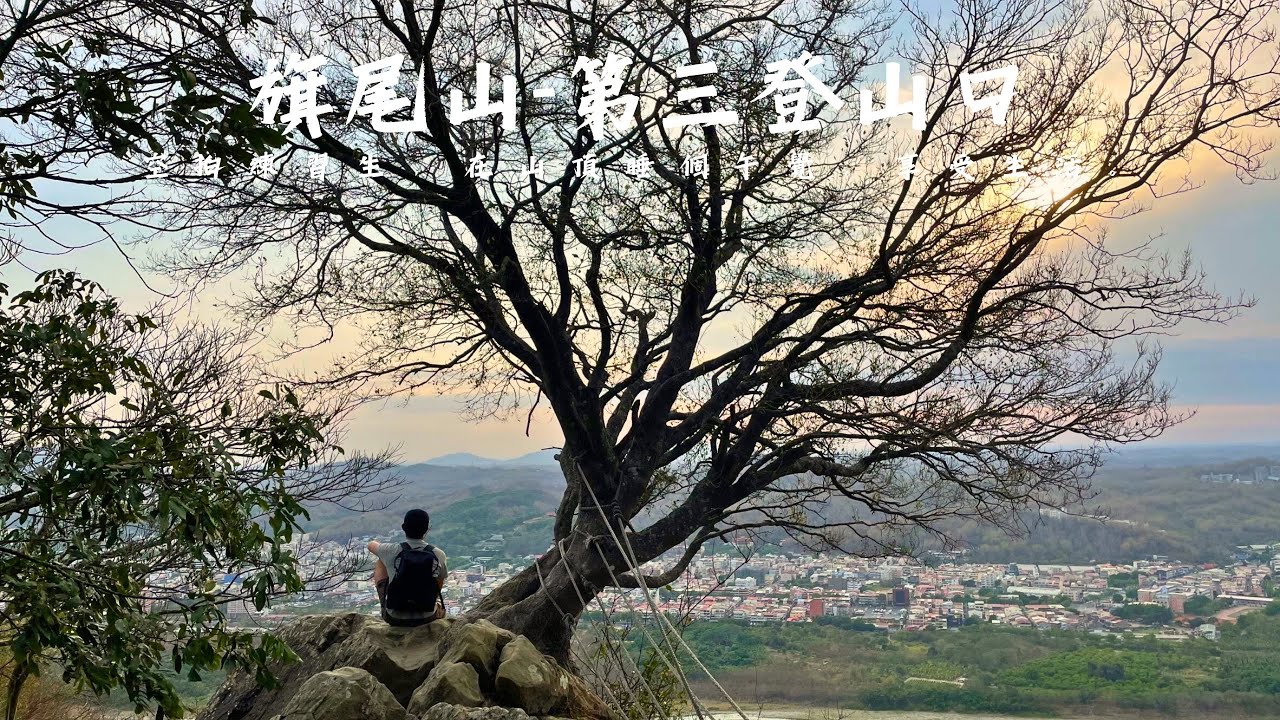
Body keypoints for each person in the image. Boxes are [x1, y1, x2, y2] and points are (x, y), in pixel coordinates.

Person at [368, 508, 448, 626]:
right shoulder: (438, 554)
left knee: (381, 560)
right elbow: (439, 583)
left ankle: (385, 601)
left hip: (394, 617)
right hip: (427, 616)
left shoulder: (391, 550)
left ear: (403, 527)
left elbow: (370, 545)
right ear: (427, 529)